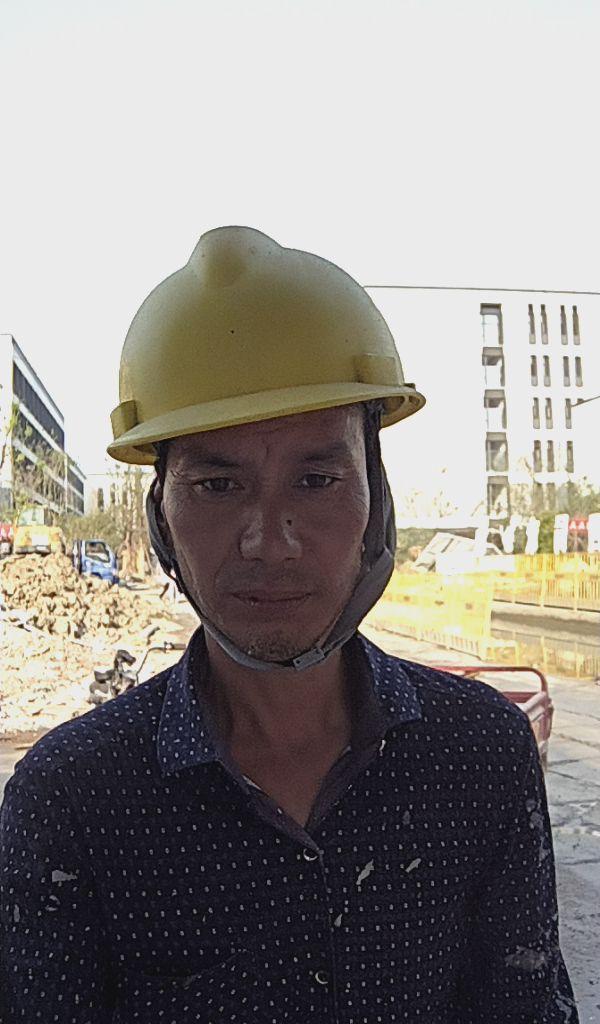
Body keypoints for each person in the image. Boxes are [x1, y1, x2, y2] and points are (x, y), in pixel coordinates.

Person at [0, 227, 578, 1023]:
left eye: (316, 480)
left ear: (375, 496)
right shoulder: (73, 800)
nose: (269, 542)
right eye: (217, 485)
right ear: (161, 516)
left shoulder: (479, 757)